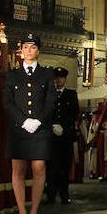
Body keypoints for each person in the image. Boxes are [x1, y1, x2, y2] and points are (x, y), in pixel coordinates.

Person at [2, 33, 56, 214]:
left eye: (32, 47)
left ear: (38, 51)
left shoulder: (47, 74)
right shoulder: (12, 75)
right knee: (18, 169)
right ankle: (22, 213)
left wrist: (38, 121)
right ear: (21, 51)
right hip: (19, 128)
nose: (28, 51)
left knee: (39, 167)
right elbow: (7, 102)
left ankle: (33, 212)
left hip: (40, 129)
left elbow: (51, 102)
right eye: (25, 47)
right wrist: (23, 120)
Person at [45, 67, 79, 205]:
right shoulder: (48, 94)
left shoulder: (71, 94)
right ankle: (51, 195)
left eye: (61, 77)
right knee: (52, 166)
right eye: (56, 77)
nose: (58, 80)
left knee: (64, 166)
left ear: (65, 79)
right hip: (51, 136)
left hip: (65, 136)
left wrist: (63, 126)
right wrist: (51, 125)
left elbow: (74, 112)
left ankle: (65, 195)